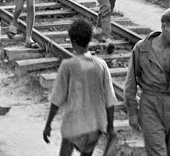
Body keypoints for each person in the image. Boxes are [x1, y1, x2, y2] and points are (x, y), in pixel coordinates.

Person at [124, 7, 170, 156]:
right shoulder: (142, 49)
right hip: (150, 106)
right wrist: (132, 111)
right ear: (163, 27)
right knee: (158, 152)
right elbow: (130, 84)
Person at [43, 17, 118, 156]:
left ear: (72, 42)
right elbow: (110, 99)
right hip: (95, 126)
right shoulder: (101, 65)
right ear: (89, 40)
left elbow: (57, 99)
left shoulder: (67, 66)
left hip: (73, 125)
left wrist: (48, 125)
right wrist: (111, 127)